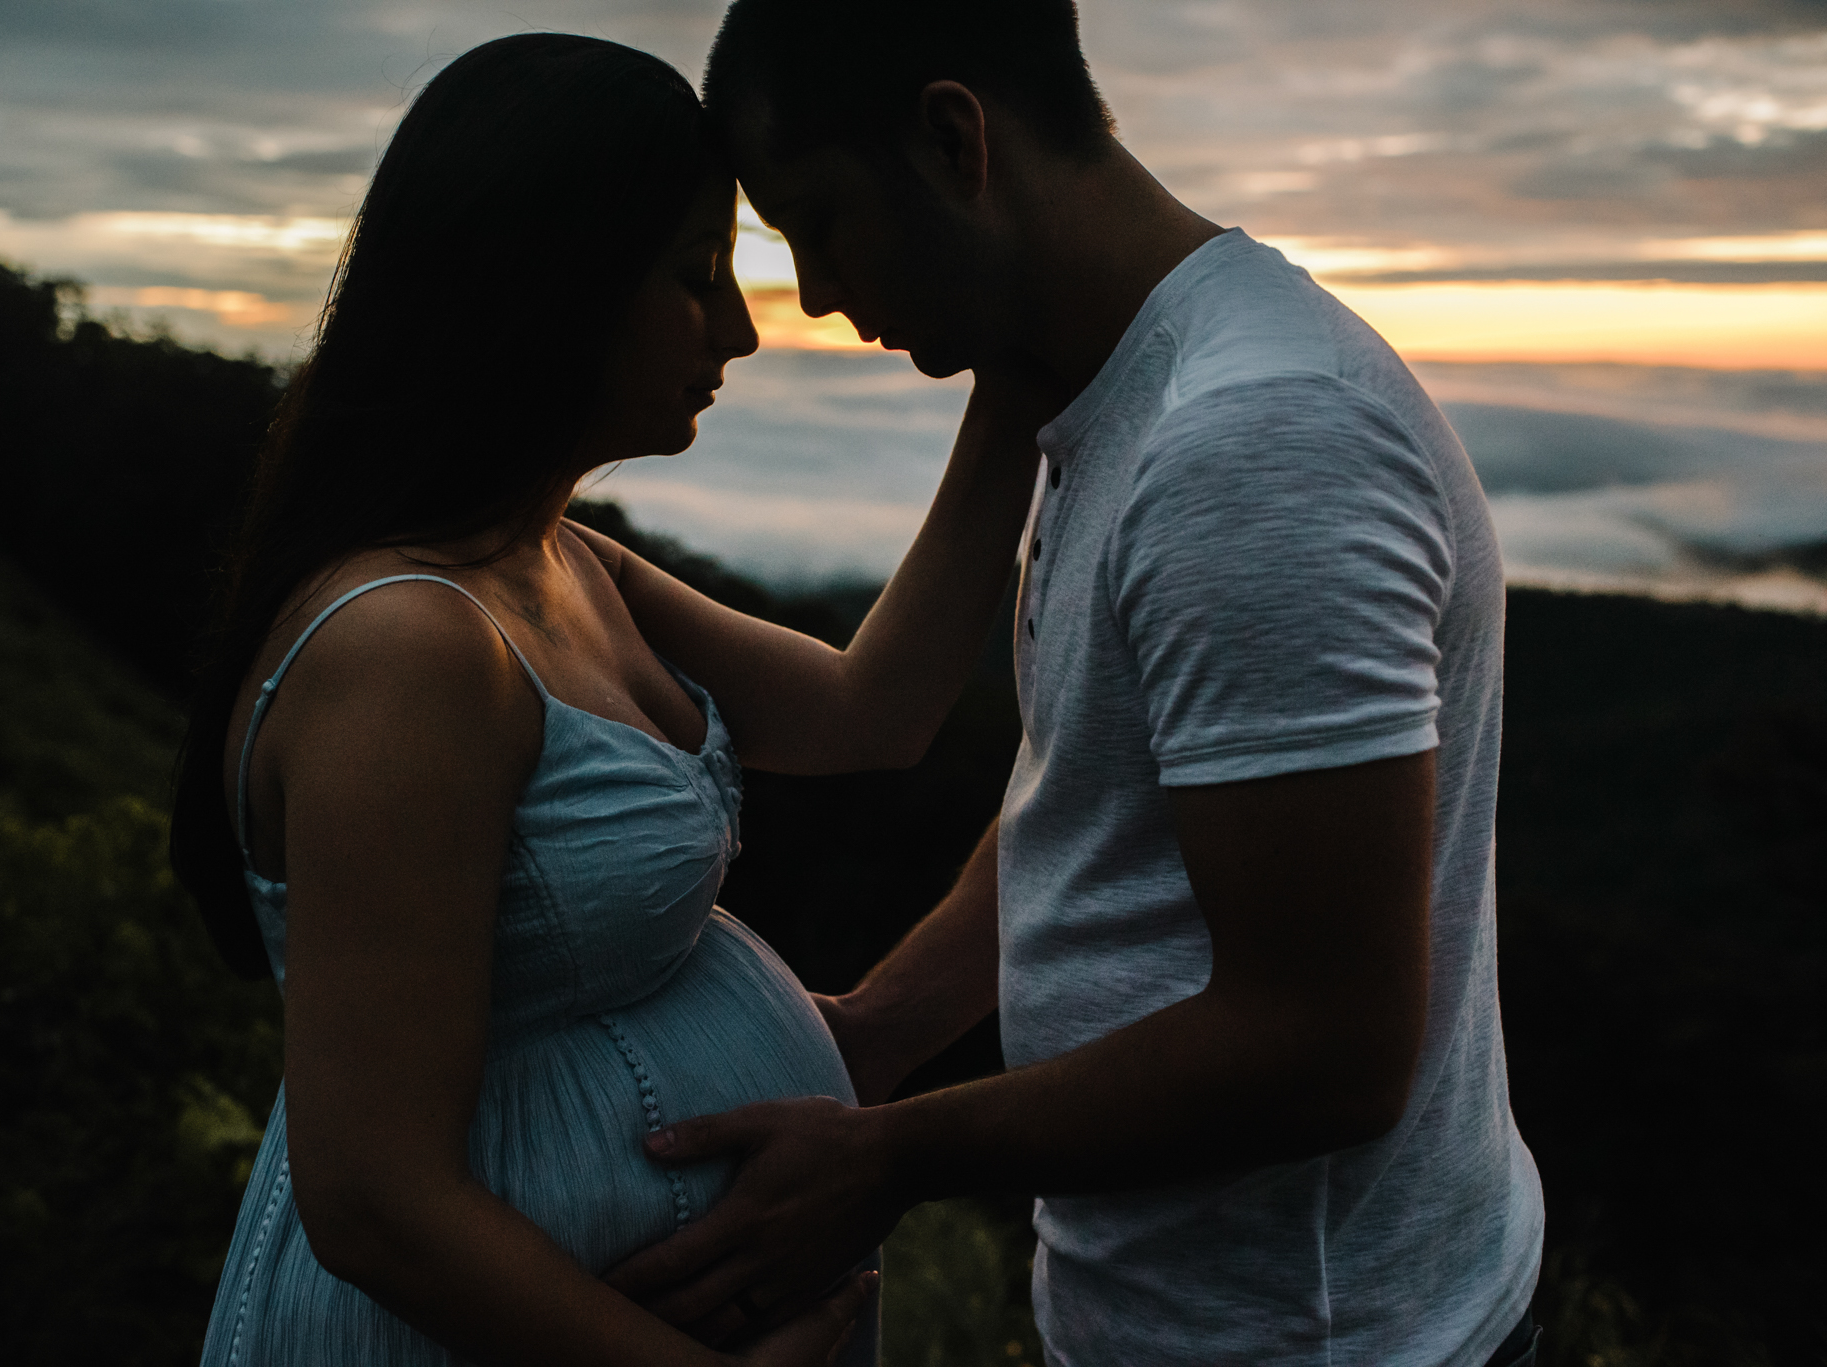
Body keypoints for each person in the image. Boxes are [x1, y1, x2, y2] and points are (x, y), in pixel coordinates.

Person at [598, 3, 1547, 1364]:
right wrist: (880, 1032)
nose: (806, 292)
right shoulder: (1115, 394)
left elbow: (1328, 1044)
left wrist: (885, 1159)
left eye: (813, 219)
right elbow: (1102, 806)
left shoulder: (1256, 445)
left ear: (951, 138)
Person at [168, 34, 1048, 1367]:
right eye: (697, 276)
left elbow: (875, 712)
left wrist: (1013, 383)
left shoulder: (560, 558)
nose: (743, 329)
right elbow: (374, 1205)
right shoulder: (408, 649)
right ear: (549, 289)